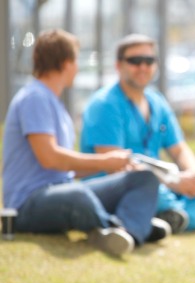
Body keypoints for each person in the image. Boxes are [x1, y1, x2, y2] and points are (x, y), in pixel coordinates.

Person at [1, 29, 169, 256]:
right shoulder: (35, 98)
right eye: (76, 60)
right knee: (78, 197)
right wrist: (103, 161)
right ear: (65, 62)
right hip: (28, 203)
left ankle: (124, 230)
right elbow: (49, 158)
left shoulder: (53, 102)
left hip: (61, 189)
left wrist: (113, 166)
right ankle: (129, 227)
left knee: (142, 179)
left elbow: (65, 168)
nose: (77, 67)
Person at [80, 34, 195, 233]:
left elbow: (179, 149)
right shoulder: (105, 104)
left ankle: (176, 215)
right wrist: (174, 182)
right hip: (123, 185)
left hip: (164, 181)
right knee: (153, 188)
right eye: (135, 61)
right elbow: (114, 164)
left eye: (149, 61)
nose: (143, 67)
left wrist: (194, 177)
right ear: (118, 65)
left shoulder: (157, 102)